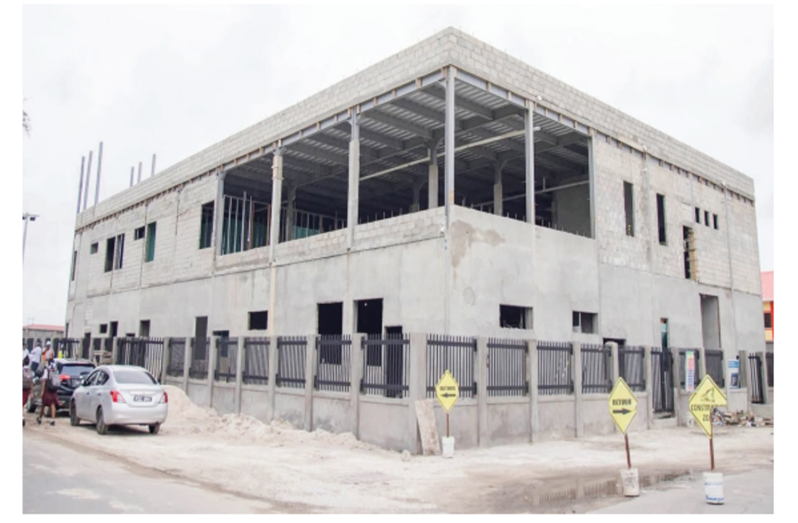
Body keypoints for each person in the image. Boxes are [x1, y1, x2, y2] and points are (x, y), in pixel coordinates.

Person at [37, 357, 59, 426]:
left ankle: (40, 418)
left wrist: (42, 391)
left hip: (47, 389)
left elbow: (44, 380)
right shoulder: (55, 370)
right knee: (52, 404)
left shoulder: (47, 370)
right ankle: (53, 419)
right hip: (54, 389)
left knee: (43, 404)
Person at [22, 342, 32, 427]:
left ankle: (22, 418)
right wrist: (31, 390)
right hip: (27, 389)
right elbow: (31, 381)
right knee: (24, 404)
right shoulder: (30, 371)